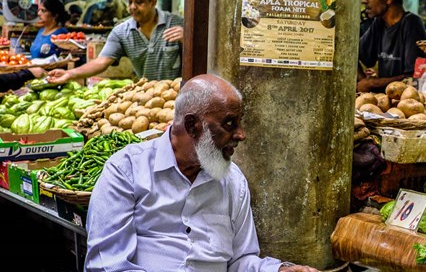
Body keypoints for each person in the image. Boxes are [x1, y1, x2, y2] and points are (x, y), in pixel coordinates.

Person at [85, 74, 318, 272]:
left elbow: (240, 260)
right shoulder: (126, 171)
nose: (241, 135)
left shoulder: (233, 181)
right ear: (192, 125)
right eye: (229, 124)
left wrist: (278, 269)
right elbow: (107, 265)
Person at [48, 0, 183, 83]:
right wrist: (69, 74)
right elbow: (101, 62)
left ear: (153, 2)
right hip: (147, 97)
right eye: (130, 1)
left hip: (179, 96)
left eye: (139, 2)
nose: (132, 7)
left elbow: (202, 57)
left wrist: (186, 39)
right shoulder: (121, 32)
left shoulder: (177, 23)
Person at [356, 0, 426, 93]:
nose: (364, 0)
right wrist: (362, 80)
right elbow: (352, 54)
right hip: (381, 101)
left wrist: (372, 84)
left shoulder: (412, 24)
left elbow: (413, 77)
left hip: (404, 100)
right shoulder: (379, 23)